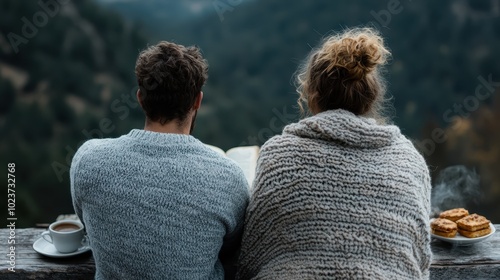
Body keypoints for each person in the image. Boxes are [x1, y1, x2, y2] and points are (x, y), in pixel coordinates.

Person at [236, 28, 432, 279]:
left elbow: (251, 258)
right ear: (370, 98)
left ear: (312, 95)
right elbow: (420, 261)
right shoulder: (410, 161)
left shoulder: (277, 155)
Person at [70, 41, 249, 280]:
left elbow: (88, 221)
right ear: (197, 101)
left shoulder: (88, 159)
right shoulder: (231, 179)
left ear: (140, 98)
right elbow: (229, 247)